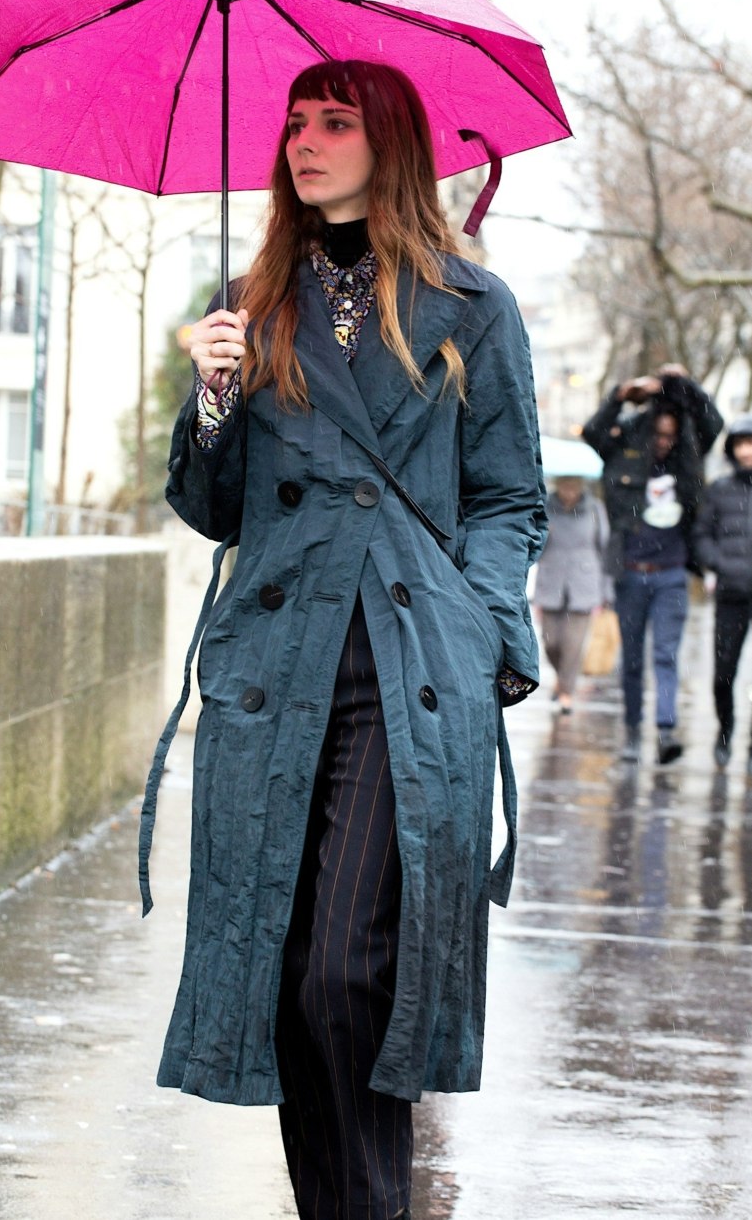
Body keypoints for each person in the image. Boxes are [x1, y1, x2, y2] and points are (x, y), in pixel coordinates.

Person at [139, 60, 546, 1220]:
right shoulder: (250, 300)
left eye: (333, 122)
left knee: (343, 975)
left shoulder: (472, 304)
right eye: (294, 121)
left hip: (407, 668)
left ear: (392, 144)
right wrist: (213, 397)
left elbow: (511, 495)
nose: (303, 140)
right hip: (277, 670)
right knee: (283, 973)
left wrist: (477, 629)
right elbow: (212, 506)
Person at [582, 365, 723, 764]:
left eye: (670, 436)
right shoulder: (625, 443)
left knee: (665, 654)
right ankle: (631, 731)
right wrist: (621, 394)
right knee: (631, 660)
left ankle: (665, 730)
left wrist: (682, 384)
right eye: (658, 435)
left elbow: (714, 421)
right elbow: (593, 434)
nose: (664, 442)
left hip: (672, 576)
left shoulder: (689, 454)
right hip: (630, 572)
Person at [693, 414, 752, 771]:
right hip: (731, 594)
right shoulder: (719, 490)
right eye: (741, 444)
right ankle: (725, 732)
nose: (747, 452)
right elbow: (701, 535)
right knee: (723, 673)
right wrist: (718, 563)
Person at [533, 475, 609, 713]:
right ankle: (562, 679)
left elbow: (604, 549)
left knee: (573, 645)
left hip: (584, 583)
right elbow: (534, 546)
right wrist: (545, 531)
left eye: (574, 484)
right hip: (551, 581)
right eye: (565, 484)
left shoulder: (595, 509)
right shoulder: (544, 507)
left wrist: (606, 591)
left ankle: (566, 692)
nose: (569, 490)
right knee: (551, 642)